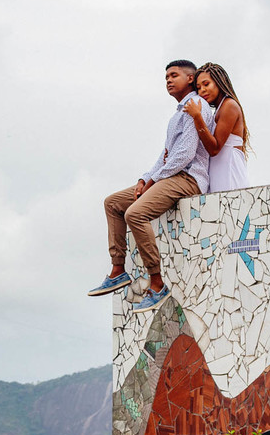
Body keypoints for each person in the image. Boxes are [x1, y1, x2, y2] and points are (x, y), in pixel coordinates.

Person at [88, 60, 215, 312]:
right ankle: (117, 270)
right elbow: (166, 154)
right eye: (166, 76)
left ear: (190, 79)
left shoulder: (195, 105)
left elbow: (184, 155)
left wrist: (156, 179)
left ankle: (157, 284)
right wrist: (145, 178)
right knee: (113, 203)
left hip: (188, 179)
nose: (168, 80)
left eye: (174, 75)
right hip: (170, 177)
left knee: (135, 213)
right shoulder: (177, 114)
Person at [184, 63, 249, 192]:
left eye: (206, 84)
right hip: (218, 171)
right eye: (198, 87)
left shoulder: (229, 105)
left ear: (219, 82)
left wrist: (197, 116)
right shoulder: (219, 110)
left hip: (229, 171)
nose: (202, 90)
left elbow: (214, 148)